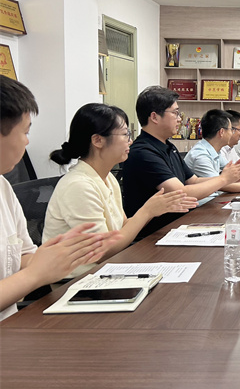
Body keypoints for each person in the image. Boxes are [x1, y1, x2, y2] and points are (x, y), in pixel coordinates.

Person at [0, 76, 120, 320]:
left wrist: (60, 256)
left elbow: (24, 256)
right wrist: (35, 274)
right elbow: (31, 271)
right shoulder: (79, 183)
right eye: (25, 132)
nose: (27, 141)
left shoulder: (3, 187)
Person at [43, 103, 197, 268]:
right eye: (125, 134)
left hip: (109, 267)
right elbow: (101, 252)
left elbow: (123, 227)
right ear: (98, 140)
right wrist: (147, 211)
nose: (130, 141)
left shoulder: (108, 177)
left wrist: (153, 211)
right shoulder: (78, 186)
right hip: (79, 277)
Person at [122, 86, 240, 238]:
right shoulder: (143, 152)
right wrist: (224, 179)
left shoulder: (168, 147)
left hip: (178, 226)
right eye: (175, 113)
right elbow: (181, 193)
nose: (179, 119)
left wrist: (230, 177)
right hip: (154, 236)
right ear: (154, 117)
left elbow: (193, 180)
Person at [184, 109, 240, 192]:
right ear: (221, 132)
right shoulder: (200, 155)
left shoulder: (215, 151)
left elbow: (234, 172)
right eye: (231, 129)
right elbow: (219, 184)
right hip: (206, 202)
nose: (232, 133)